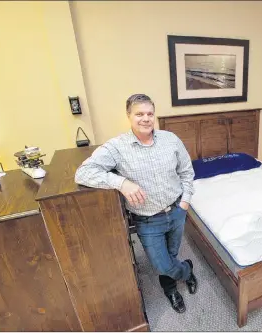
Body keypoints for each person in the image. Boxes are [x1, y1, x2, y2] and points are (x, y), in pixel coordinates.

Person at [74, 93, 197, 314]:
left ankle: (170, 288)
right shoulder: (117, 147)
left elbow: (187, 172)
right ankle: (187, 271)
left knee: (171, 253)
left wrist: (185, 202)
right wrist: (121, 183)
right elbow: (83, 173)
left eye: (150, 113)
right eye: (139, 114)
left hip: (177, 210)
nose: (146, 118)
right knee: (161, 264)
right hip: (148, 219)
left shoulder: (171, 140)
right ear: (129, 116)